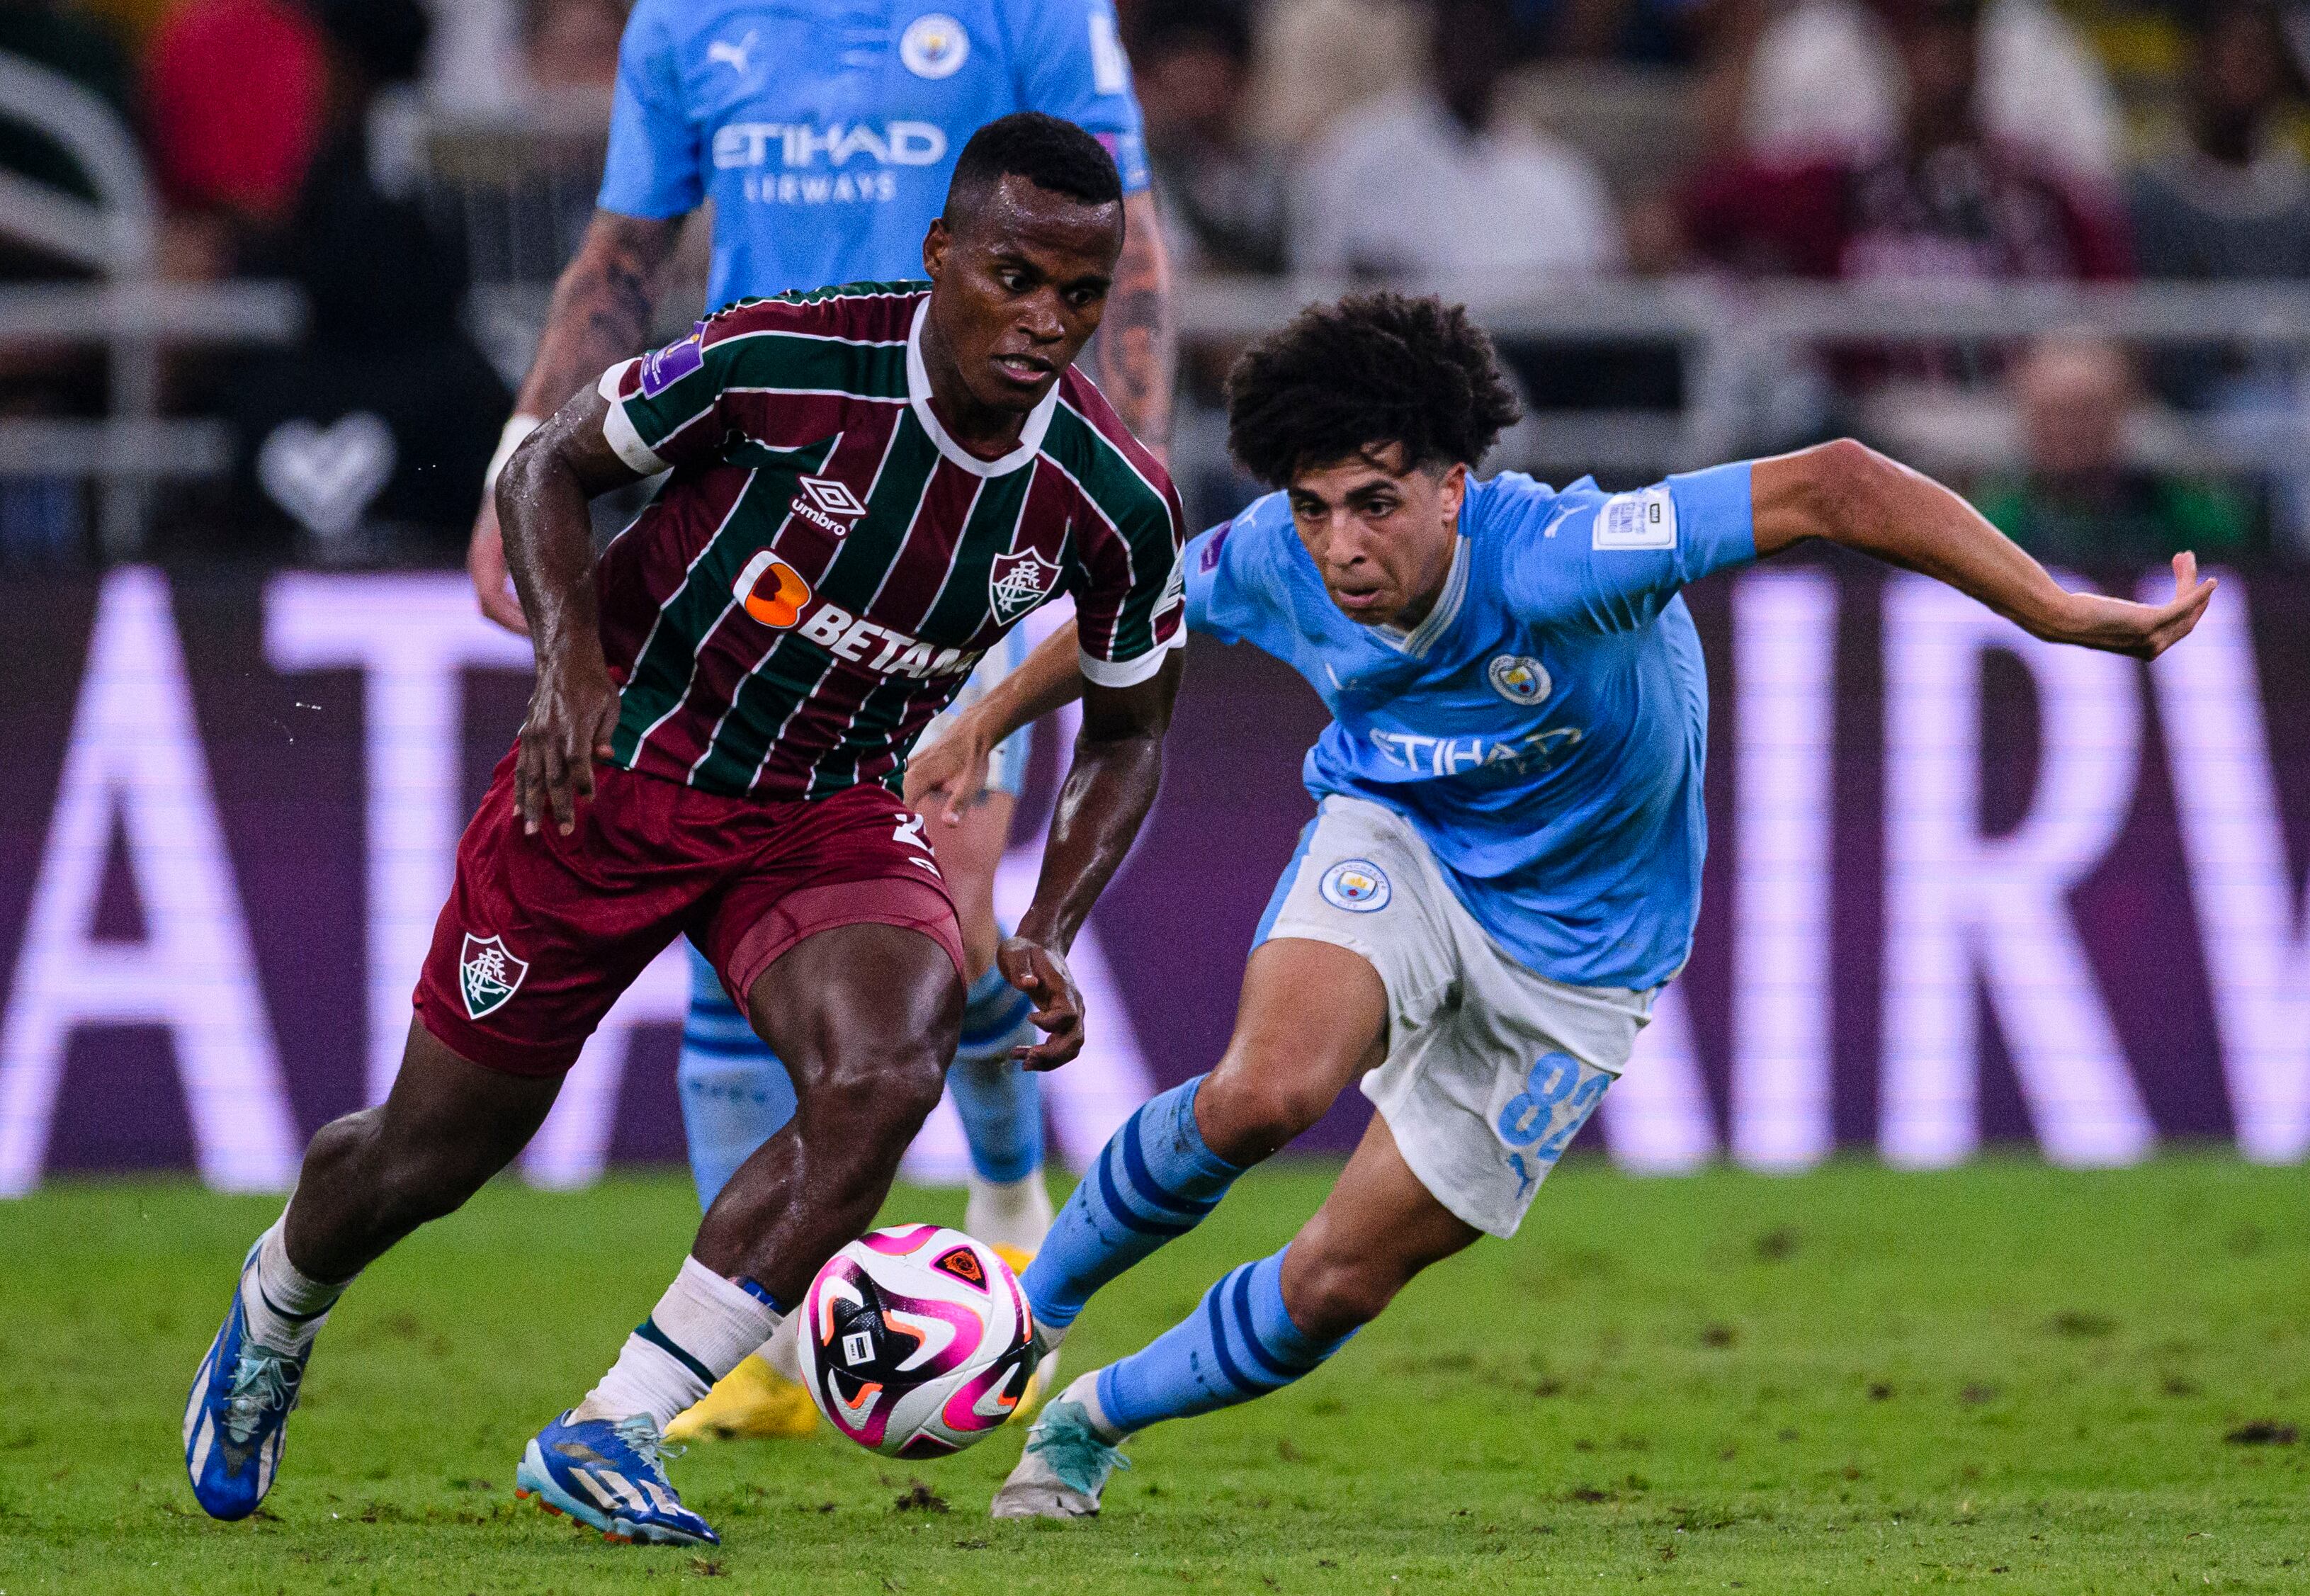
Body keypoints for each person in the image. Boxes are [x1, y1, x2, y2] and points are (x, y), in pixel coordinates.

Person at [900, 290, 2215, 1519]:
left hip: (1584, 952)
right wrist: (982, 713)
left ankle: (1089, 1420)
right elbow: (1128, 616)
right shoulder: (1273, 559)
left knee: (1339, 1275)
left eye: (1374, 504)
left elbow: (1834, 482)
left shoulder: (1567, 555)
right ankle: (1018, 1321)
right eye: (1313, 509)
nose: (1342, 549)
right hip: (1399, 838)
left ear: (1454, 487)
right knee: (1262, 1091)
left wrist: (2050, 607)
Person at [183, 113, 1188, 1547]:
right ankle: (278, 1305)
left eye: (1078, 297)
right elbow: (546, 470)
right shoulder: (781, 356)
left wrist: (1047, 922)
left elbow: (1134, 724)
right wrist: (563, 666)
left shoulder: (1113, 495)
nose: (1044, 323)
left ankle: (612, 1421)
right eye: (1014, 278)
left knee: (887, 1066)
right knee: (428, 1154)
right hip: (613, 772)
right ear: (939, 254)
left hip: (825, 805)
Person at [459, 0, 1178, 1439]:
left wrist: (1103, 501)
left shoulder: (1027, 13)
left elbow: (1131, 255)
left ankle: (1005, 1195)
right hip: (774, 498)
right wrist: (515, 456)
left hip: (980, 511)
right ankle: (765, 1345)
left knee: (948, 896)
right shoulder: (687, 22)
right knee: (742, 928)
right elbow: (624, 254)